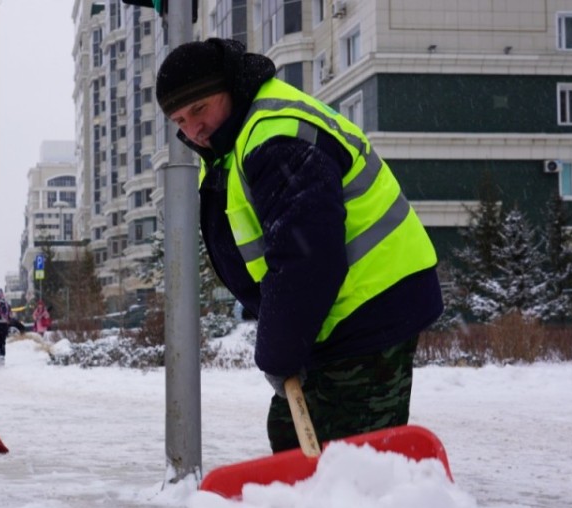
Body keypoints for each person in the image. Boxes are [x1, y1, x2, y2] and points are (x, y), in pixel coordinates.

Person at [155, 39, 443, 454]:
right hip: (338, 313)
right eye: (180, 120)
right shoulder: (238, 140)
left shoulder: (273, 137)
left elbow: (305, 256)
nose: (193, 130)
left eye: (200, 109)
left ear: (231, 88)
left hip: (368, 310)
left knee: (348, 458)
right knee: (295, 437)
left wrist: (278, 354)